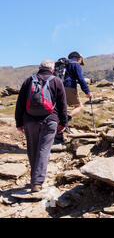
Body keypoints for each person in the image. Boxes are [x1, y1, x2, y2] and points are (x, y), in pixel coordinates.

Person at [15, 60, 68, 192]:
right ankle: (37, 182)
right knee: (43, 150)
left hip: (30, 121)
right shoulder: (56, 81)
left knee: (32, 150)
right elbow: (63, 104)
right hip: (50, 120)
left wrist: (19, 122)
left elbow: (20, 103)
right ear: (52, 69)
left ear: (39, 68)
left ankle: (35, 179)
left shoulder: (28, 81)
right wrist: (63, 122)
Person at [64, 52, 92, 118]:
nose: (80, 63)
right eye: (81, 61)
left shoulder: (63, 64)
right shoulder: (75, 64)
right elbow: (81, 79)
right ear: (79, 58)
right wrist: (87, 92)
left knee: (61, 107)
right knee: (79, 106)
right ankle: (65, 121)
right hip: (69, 86)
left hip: (57, 87)